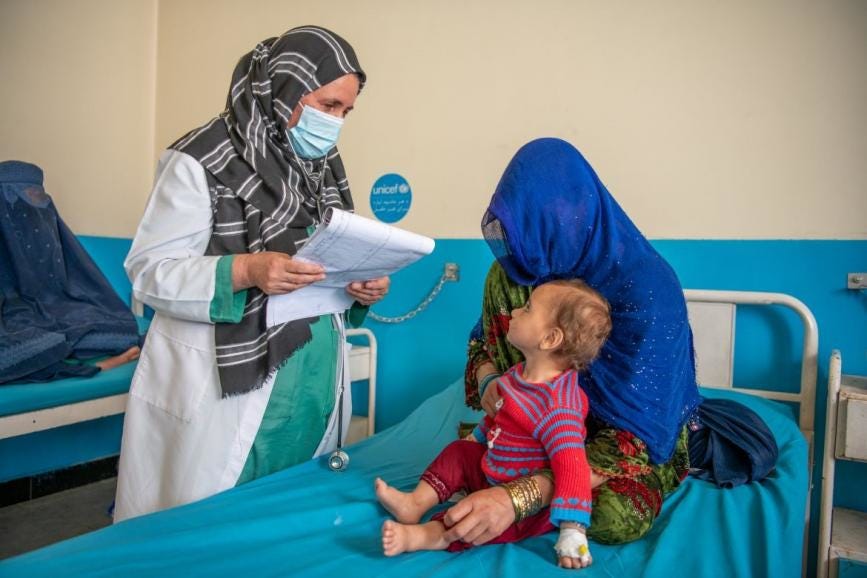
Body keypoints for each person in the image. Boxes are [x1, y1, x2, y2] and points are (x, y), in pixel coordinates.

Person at [114, 26, 389, 522]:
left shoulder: (322, 169)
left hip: (311, 386)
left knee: (286, 523)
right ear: (281, 87)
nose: (336, 123)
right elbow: (149, 272)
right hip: (229, 387)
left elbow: (326, 263)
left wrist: (358, 284)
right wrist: (245, 269)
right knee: (209, 530)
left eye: (345, 111)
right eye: (327, 105)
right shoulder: (199, 159)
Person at [444, 138, 700, 553]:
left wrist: (517, 498)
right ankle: (516, 480)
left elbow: (633, 437)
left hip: (617, 446)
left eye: (541, 225)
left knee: (618, 517)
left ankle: (519, 497)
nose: (527, 246)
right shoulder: (517, 272)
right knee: (454, 463)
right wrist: (491, 379)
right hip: (527, 431)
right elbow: (484, 345)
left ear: (576, 217)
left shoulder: (650, 292)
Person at [375, 279, 611, 569]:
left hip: (521, 506)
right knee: (458, 452)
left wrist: (572, 530)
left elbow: (573, 468)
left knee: (474, 520)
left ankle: (428, 535)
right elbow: (499, 418)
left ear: (549, 339)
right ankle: (415, 504)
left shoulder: (559, 408)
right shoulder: (516, 376)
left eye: (527, 309)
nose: (513, 312)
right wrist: (476, 438)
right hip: (491, 471)